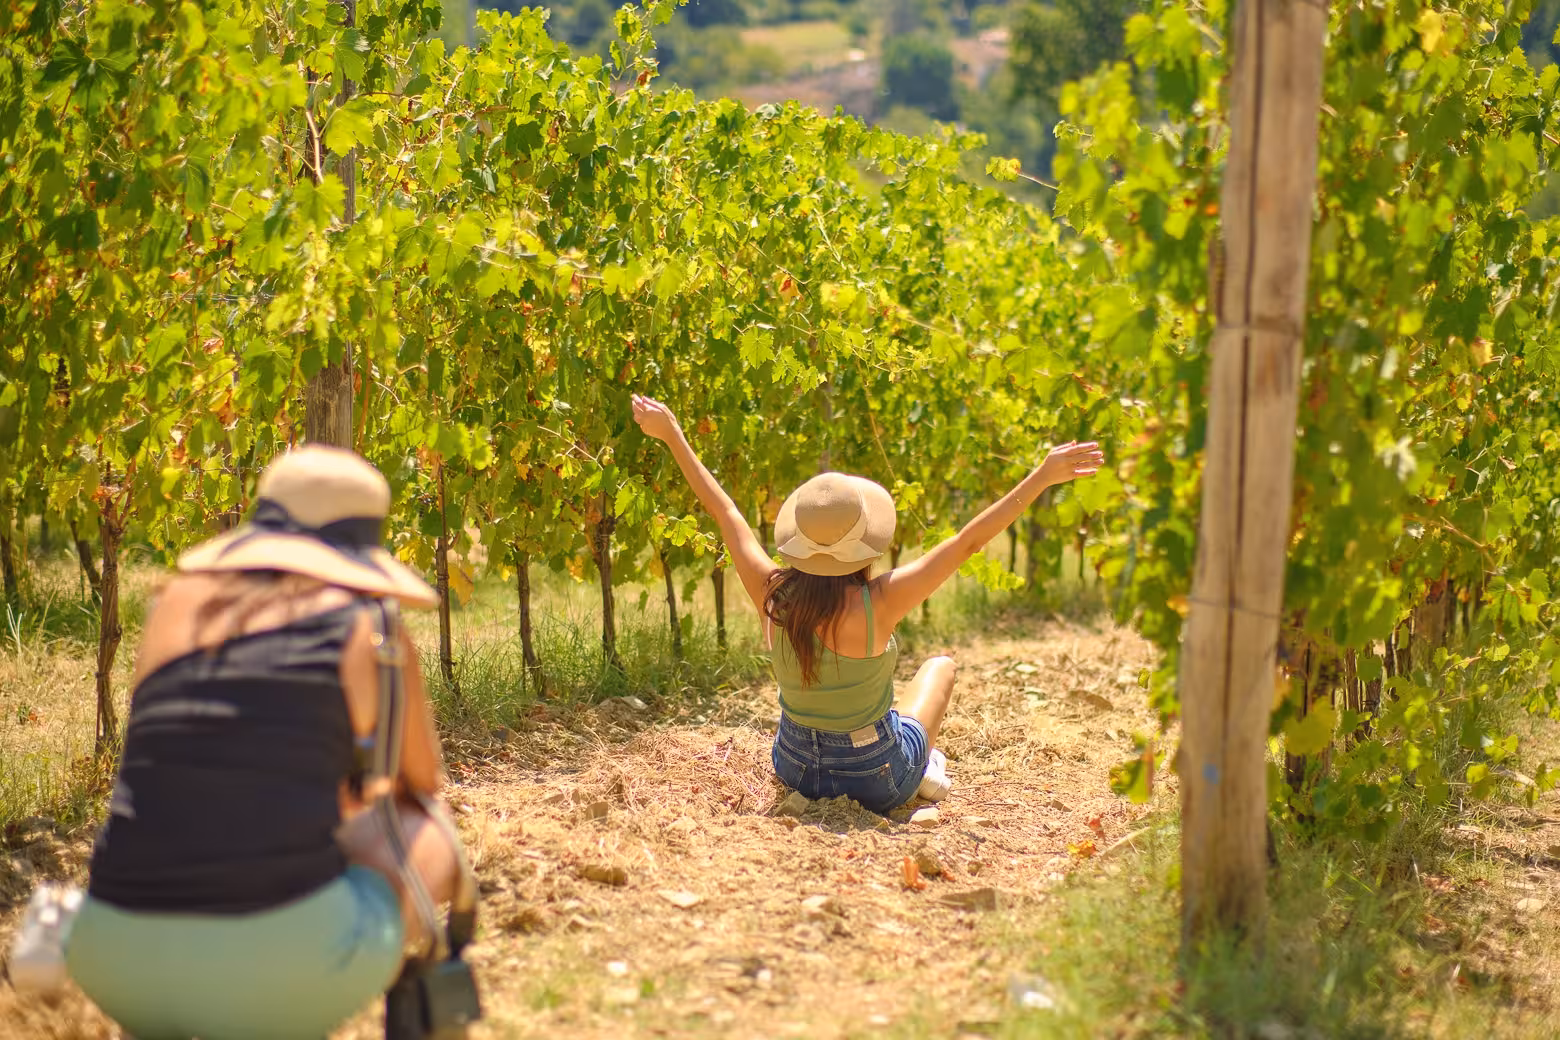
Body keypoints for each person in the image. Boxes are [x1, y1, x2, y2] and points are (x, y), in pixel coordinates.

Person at [65, 446, 462, 1040]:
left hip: (111, 954)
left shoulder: (171, 606)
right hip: (275, 976)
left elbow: (169, 762)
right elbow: (418, 783)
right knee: (429, 832)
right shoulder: (374, 628)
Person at [631, 394, 1104, 814]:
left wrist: (672, 434)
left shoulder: (771, 593)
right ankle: (925, 770)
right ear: (864, 547)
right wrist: (1042, 476)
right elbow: (967, 543)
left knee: (883, 713)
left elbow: (725, 510)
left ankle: (912, 766)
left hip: (795, 769)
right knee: (938, 667)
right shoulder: (881, 600)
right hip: (877, 777)